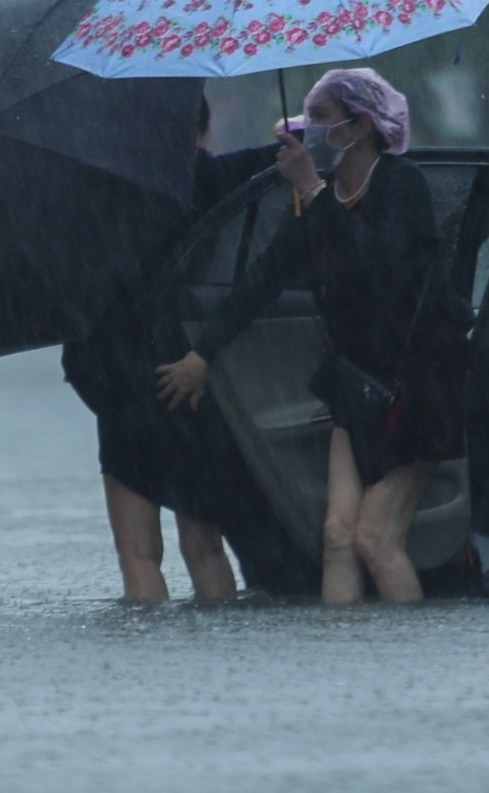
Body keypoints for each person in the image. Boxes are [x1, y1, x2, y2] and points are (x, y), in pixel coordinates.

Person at [155, 69, 464, 605]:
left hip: (417, 388)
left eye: (320, 118)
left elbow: (379, 269)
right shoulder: (317, 203)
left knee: (376, 538)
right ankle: (343, 672)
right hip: (356, 385)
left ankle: (413, 673)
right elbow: (261, 282)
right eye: (307, 117)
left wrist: (314, 190)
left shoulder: (400, 184)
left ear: (361, 125)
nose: (308, 128)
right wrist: (203, 354)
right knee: (338, 537)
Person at [62, 94, 277, 602]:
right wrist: (291, 142)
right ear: (201, 132)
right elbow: (290, 162)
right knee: (204, 548)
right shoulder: (216, 179)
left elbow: (74, 289)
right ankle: (216, 663)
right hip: (188, 372)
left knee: (137, 553)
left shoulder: (98, 194)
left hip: (121, 380)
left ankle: (146, 676)